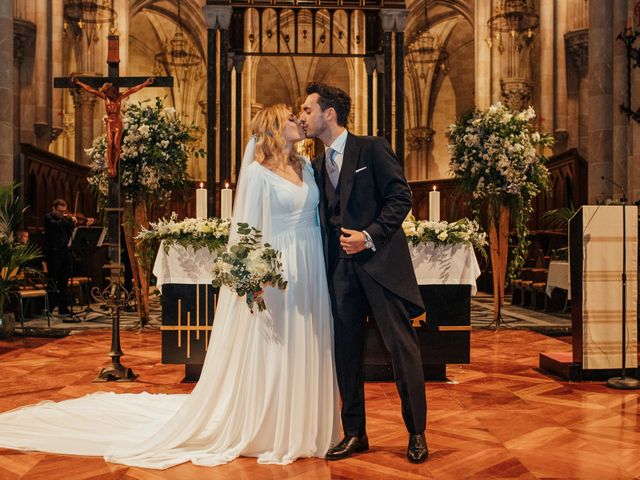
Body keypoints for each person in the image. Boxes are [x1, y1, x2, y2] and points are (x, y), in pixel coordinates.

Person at [0, 104, 339, 469]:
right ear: (273, 127)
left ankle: (306, 423)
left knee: (308, 338)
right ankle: (272, 427)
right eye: (290, 117)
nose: (298, 121)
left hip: (310, 262)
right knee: (278, 342)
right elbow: (245, 230)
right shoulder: (258, 173)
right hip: (276, 267)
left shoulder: (307, 167)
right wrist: (251, 274)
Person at [299, 82, 429, 464]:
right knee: (346, 353)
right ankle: (355, 432)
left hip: (380, 266)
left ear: (329, 114)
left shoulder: (371, 148)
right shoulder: (318, 165)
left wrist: (368, 237)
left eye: (307, 110)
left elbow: (400, 196)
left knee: (402, 349)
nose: (303, 116)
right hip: (340, 271)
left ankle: (417, 433)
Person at [72, 76, 154, 176]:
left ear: (111, 90)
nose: (106, 94)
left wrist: (146, 83)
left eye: (107, 92)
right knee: (110, 143)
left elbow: (133, 90)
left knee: (116, 144)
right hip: (109, 123)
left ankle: (114, 165)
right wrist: (79, 83)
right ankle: (110, 165)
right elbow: (91, 90)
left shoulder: (119, 97)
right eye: (105, 93)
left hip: (117, 123)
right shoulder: (105, 97)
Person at [43, 199, 75, 316]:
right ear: (54, 208)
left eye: (64, 211)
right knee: (52, 281)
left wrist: (73, 222)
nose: (62, 213)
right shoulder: (48, 217)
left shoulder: (65, 220)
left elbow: (70, 231)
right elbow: (56, 225)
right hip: (53, 254)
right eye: (60, 211)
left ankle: (63, 308)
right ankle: (49, 309)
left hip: (65, 253)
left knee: (64, 282)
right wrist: (67, 219)